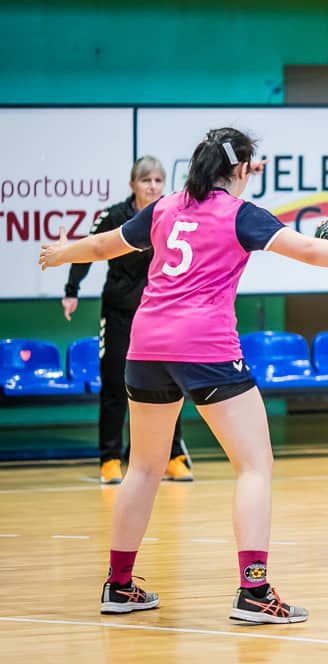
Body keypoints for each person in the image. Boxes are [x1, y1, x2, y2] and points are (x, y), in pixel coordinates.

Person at [38, 127, 328, 623]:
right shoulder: (239, 214)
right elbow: (311, 252)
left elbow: (103, 246)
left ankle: (118, 586)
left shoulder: (165, 208)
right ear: (242, 169)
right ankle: (254, 591)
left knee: (141, 468)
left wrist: (63, 253)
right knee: (254, 466)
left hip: (146, 346)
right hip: (203, 347)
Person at [62, 157, 190, 485]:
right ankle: (110, 458)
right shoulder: (114, 216)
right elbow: (89, 249)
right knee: (116, 383)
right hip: (120, 313)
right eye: (146, 180)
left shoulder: (172, 214)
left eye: (158, 180)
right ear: (133, 184)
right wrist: (72, 290)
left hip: (160, 313)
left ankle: (171, 456)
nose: (152, 186)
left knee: (168, 385)